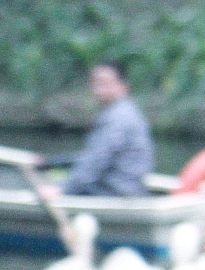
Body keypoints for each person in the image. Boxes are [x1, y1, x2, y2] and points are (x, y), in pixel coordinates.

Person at [41, 62, 154, 198]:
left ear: (123, 86)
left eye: (105, 84)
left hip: (116, 192)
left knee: (53, 185)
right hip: (120, 187)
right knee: (56, 176)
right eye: (96, 84)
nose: (98, 90)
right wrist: (52, 162)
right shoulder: (122, 112)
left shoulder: (119, 117)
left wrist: (63, 189)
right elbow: (92, 156)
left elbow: (97, 161)